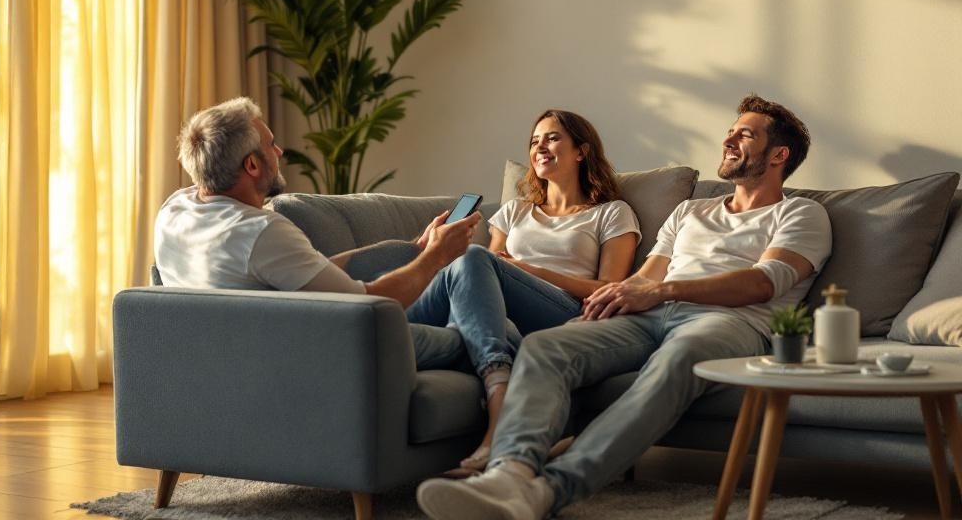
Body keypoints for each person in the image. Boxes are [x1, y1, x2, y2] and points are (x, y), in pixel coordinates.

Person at [415, 94, 833, 520]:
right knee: (548, 346)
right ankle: (508, 475)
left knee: (677, 359)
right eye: (730, 131)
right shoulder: (690, 211)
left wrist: (663, 292)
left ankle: (549, 490)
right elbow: (646, 276)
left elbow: (762, 283)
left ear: (779, 154)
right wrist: (604, 303)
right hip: (646, 313)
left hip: (727, 321)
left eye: (744, 134)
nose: (729, 140)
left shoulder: (801, 213)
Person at [153, 96, 481, 369]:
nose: (280, 152)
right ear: (251, 165)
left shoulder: (173, 210)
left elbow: (306, 273)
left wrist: (416, 250)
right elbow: (366, 307)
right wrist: (437, 256)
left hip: (224, 360)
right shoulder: (260, 231)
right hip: (311, 359)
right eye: (271, 145)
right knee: (482, 336)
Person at [407, 109, 640, 473]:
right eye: (534, 141)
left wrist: (529, 269)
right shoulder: (516, 210)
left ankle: (497, 407)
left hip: (563, 310)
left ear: (581, 151)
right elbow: (492, 264)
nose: (540, 147)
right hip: (501, 309)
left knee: (474, 259)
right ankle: (498, 376)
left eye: (552, 138)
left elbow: (610, 288)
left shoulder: (611, 213)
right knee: (467, 268)